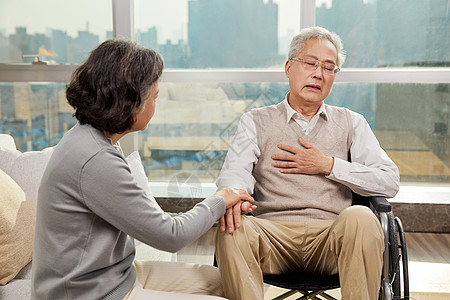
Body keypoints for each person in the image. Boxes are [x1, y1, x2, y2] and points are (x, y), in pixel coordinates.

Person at [31, 39, 254, 300]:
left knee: (232, 282)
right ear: (130, 100)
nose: (155, 105)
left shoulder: (96, 138)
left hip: (116, 276)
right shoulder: (95, 158)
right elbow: (170, 236)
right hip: (91, 294)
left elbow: (146, 217)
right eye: (154, 96)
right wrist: (221, 199)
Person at [214, 26, 400, 300]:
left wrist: (328, 165)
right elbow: (234, 175)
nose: (318, 74)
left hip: (332, 238)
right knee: (233, 226)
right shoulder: (256, 120)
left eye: (328, 68)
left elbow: (389, 180)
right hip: (272, 236)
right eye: (310, 63)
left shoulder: (352, 122)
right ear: (289, 67)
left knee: (361, 217)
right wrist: (235, 195)